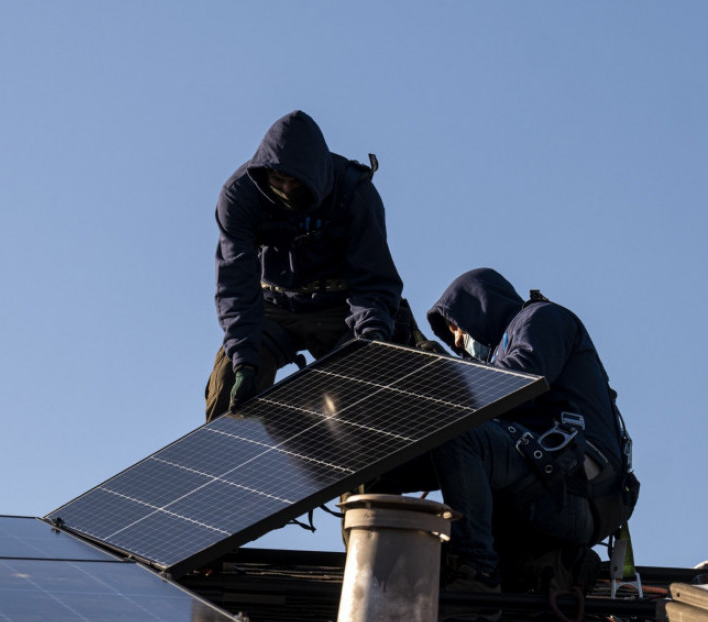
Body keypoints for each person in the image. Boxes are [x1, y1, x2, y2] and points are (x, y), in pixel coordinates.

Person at [425, 268, 638, 595]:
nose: (456, 341)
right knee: (422, 447)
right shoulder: (500, 352)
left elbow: (521, 380)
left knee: (457, 433)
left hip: (579, 491)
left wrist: (444, 377)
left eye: (456, 327)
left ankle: (475, 571)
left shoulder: (541, 318)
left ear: (478, 307)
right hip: (552, 486)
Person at [205, 110, 405, 421]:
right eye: (277, 180)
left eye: (294, 183)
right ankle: (228, 466)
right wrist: (244, 362)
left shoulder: (355, 193)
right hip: (274, 306)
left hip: (341, 307)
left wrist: (371, 337)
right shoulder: (239, 196)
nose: (285, 189)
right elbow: (235, 285)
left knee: (355, 398)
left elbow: (374, 280)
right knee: (228, 387)